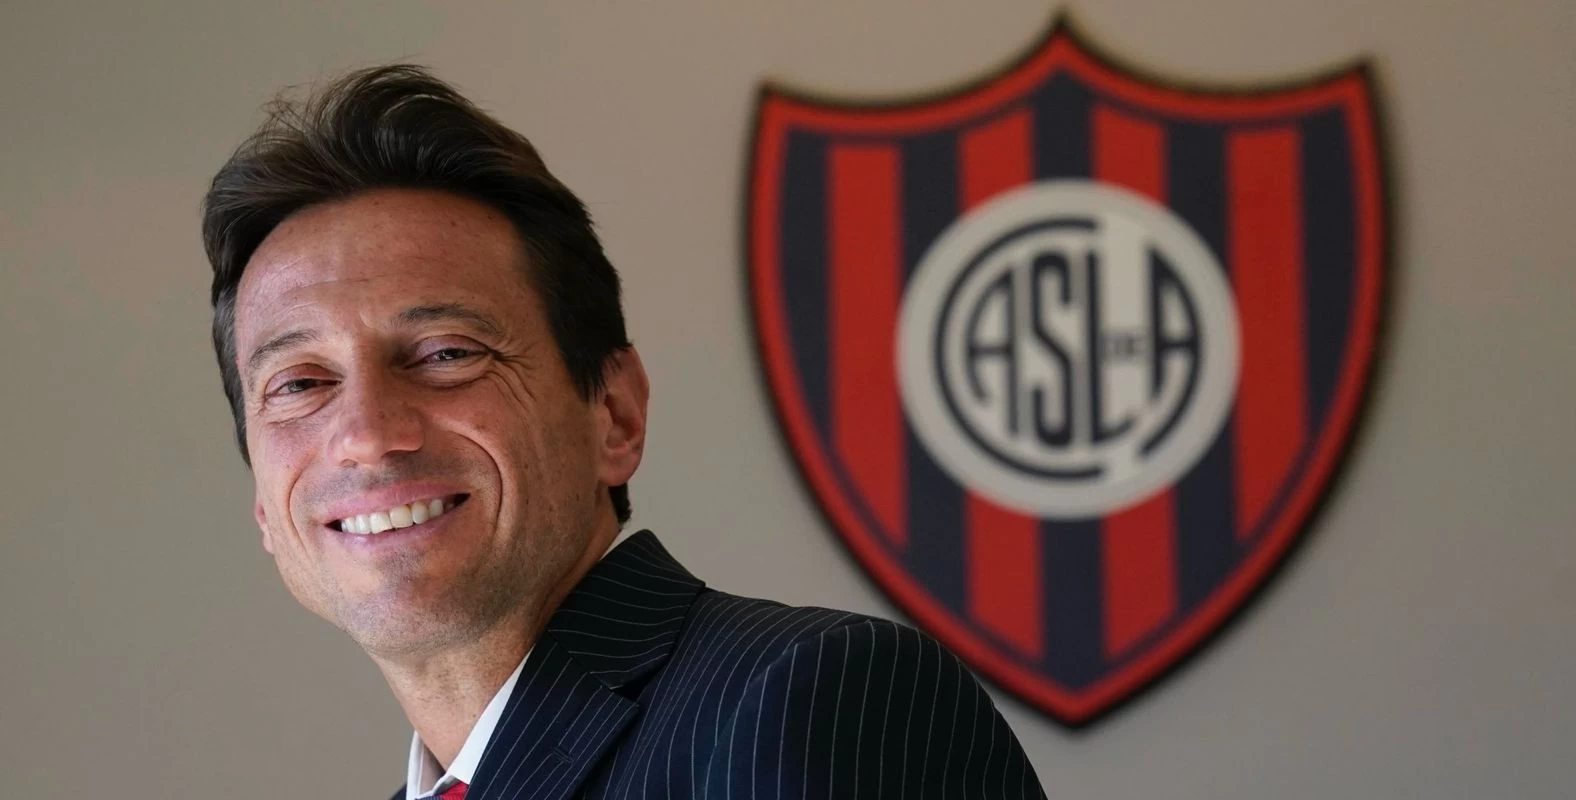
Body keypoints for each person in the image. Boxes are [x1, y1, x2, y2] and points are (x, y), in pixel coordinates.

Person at [201, 64, 1045, 800]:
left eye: (446, 353)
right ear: (264, 507)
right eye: (299, 384)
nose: (366, 434)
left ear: (614, 414)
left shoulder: (808, 702)